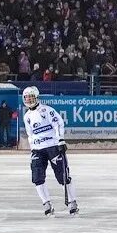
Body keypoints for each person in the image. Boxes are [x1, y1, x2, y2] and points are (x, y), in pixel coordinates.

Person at [22, 86, 79, 216]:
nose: (29, 100)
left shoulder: (47, 110)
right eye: (26, 97)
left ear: (36, 97)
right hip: (37, 150)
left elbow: (58, 124)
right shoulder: (27, 116)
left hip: (53, 147)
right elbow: (30, 134)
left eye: (31, 97)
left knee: (63, 177)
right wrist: (32, 149)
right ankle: (46, 203)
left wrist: (61, 140)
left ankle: (72, 202)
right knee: (37, 177)